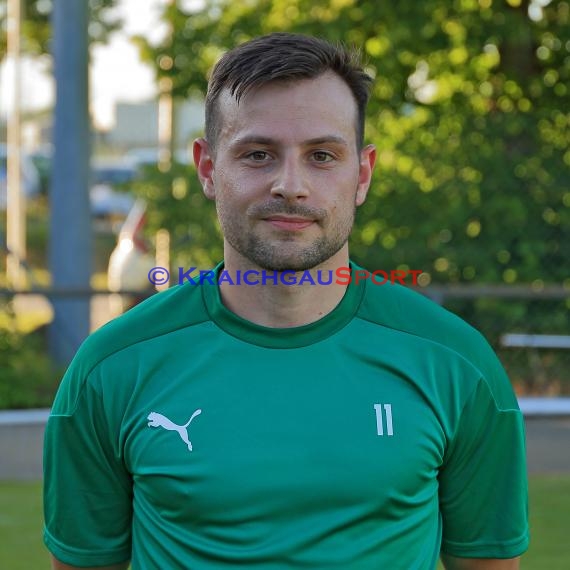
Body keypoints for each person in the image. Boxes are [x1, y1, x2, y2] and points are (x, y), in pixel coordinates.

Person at [43, 33, 529, 570]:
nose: (290, 185)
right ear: (207, 168)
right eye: (258, 154)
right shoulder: (111, 369)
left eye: (322, 156)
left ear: (362, 174)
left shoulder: (457, 364)